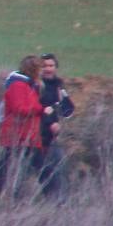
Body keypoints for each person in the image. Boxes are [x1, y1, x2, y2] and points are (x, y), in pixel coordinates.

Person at [0, 54, 52, 196]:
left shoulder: (29, 86)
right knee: (10, 165)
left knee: (13, 165)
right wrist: (41, 110)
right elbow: (19, 108)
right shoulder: (19, 86)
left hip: (27, 135)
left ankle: (3, 194)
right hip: (18, 134)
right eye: (40, 68)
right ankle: (1, 194)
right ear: (33, 70)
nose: (42, 71)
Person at [37, 52, 76, 200]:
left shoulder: (58, 85)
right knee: (43, 170)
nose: (48, 69)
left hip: (52, 136)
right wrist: (50, 122)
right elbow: (37, 109)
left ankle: (57, 202)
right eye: (44, 66)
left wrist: (63, 102)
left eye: (51, 66)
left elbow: (68, 109)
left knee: (57, 169)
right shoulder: (36, 85)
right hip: (37, 135)